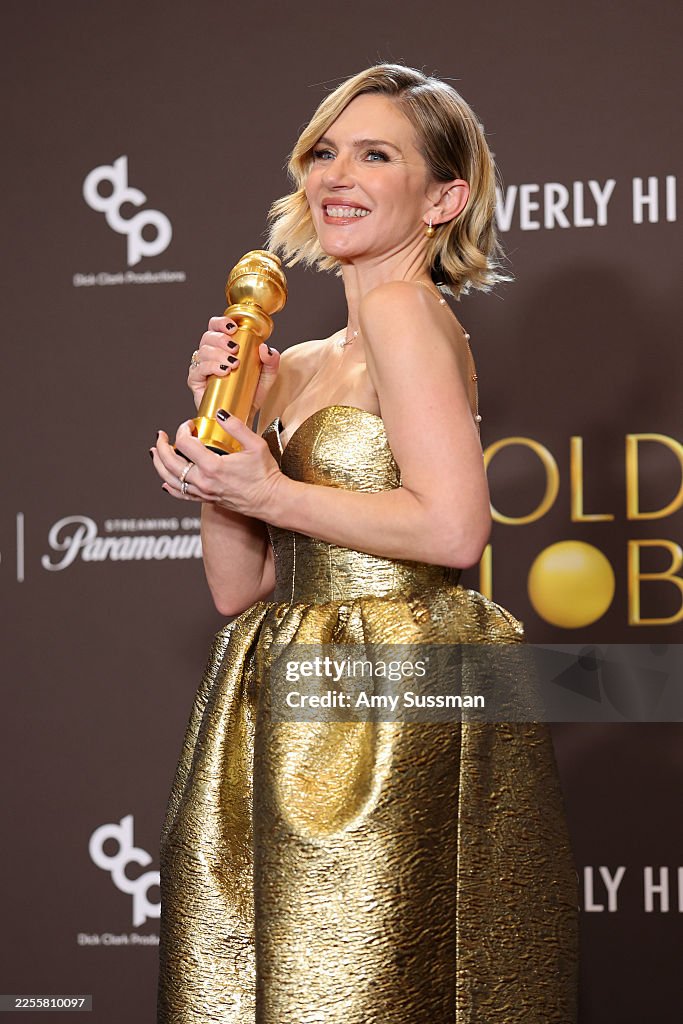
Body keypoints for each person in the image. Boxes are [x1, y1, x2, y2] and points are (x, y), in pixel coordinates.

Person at [151, 63, 578, 1023]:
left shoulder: (402, 311)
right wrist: (220, 446)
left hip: (388, 691)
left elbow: (451, 526)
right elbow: (237, 585)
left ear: (443, 197)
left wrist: (269, 486)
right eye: (323, 152)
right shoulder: (297, 360)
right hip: (287, 684)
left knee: (360, 984)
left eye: (374, 154)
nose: (335, 175)